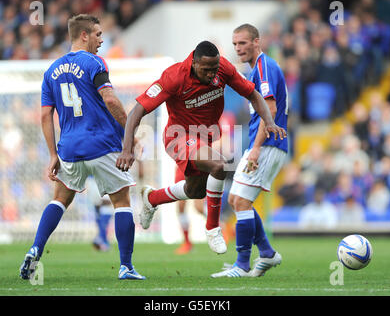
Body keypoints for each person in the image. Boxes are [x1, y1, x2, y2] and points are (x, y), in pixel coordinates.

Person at [117, 40, 286, 255]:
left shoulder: (222, 68)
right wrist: (127, 148)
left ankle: (152, 198)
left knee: (194, 191)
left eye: (214, 69)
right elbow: (137, 112)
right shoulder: (174, 76)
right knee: (219, 166)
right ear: (194, 64)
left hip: (204, 139)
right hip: (177, 138)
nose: (212, 75)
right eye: (206, 70)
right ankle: (213, 228)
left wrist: (269, 121)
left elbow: (253, 94)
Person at [19, 14, 145, 281]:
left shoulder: (51, 70)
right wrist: (130, 134)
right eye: (98, 34)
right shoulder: (94, 62)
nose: (102, 40)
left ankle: (35, 249)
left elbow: (45, 115)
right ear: (84, 35)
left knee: (60, 199)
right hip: (103, 144)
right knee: (121, 202)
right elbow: (110, 100)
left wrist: (53, 154)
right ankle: (126, 266)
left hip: (69, 150)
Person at [211, 24, 288, 278]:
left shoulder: (265, 67)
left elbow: (272, 110)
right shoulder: (256, 68)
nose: (238, 48)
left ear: (257, 42)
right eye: (235, 44)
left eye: (242, 43)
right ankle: (266, 253)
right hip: (262, 143)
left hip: (267, 144)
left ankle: (242, 265)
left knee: (242, 201)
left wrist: (255, 148)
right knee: (235, 199)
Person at [174, 166, 205, 255]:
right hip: (182, 166)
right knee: (180, 206)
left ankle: (220, 228)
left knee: (199, 207)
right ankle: (187, 242)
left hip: (196, 165)